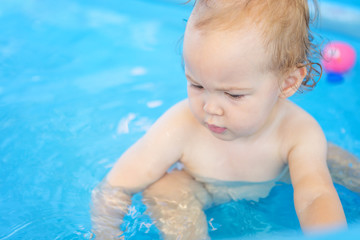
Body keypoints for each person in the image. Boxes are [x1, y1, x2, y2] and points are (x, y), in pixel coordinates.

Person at [91, 0, 350, 239]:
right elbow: (117, 185)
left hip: (282, 175)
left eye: (233, 94)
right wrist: (105, 230)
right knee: (165, 190)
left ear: (287, 82)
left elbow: (315, 196)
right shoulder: (180, 125)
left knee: (331, 162)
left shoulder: (298, 132)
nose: (210, 108)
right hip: (203, 186)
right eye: (196, 85)